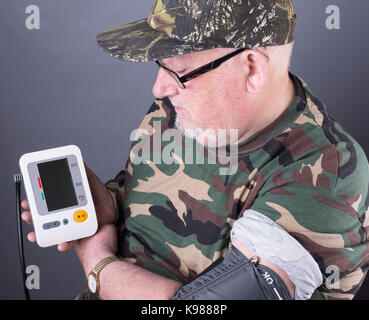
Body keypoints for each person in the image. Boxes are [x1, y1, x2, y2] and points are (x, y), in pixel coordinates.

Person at [21, 0, 369, 300]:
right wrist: (110, 205)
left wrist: (96, 261)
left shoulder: (326, 175)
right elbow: (145, 189)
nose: (159, 88)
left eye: (178, 71)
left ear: (251, 68)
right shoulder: (183, 107)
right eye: (161, 66)